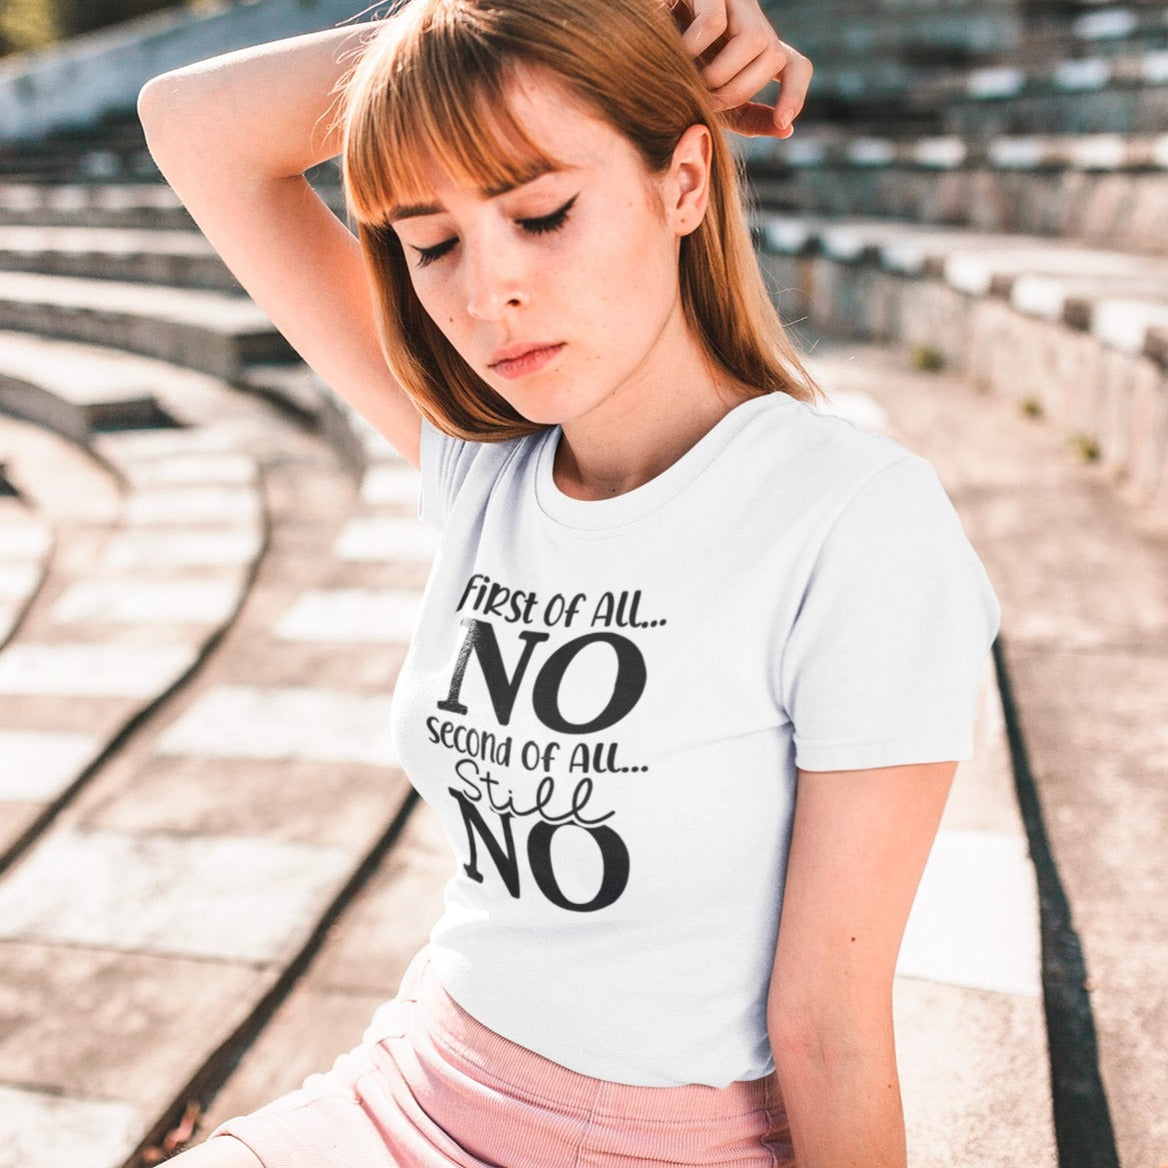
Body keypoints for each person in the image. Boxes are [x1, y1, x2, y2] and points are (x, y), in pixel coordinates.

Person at [138, 1, 999, 1165]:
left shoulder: (850, 519)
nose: (485, 294)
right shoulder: (485, 464)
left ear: (683, 182)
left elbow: (830, 1028)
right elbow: (191, 126)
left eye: (542, 214)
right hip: (413, 1086)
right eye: (430, 242)